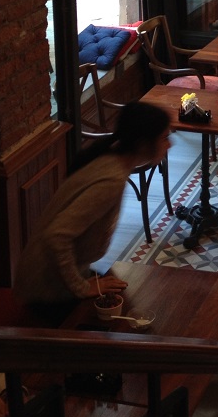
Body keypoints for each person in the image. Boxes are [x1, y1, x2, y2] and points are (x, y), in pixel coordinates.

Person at [13, 101, 171, 321]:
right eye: (164, 138)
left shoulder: (110, 156)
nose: (169, 145)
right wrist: (83, 288)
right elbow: (56, 236)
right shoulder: (111, 180)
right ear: (143, 144)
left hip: (67, 273)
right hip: (47, 289)